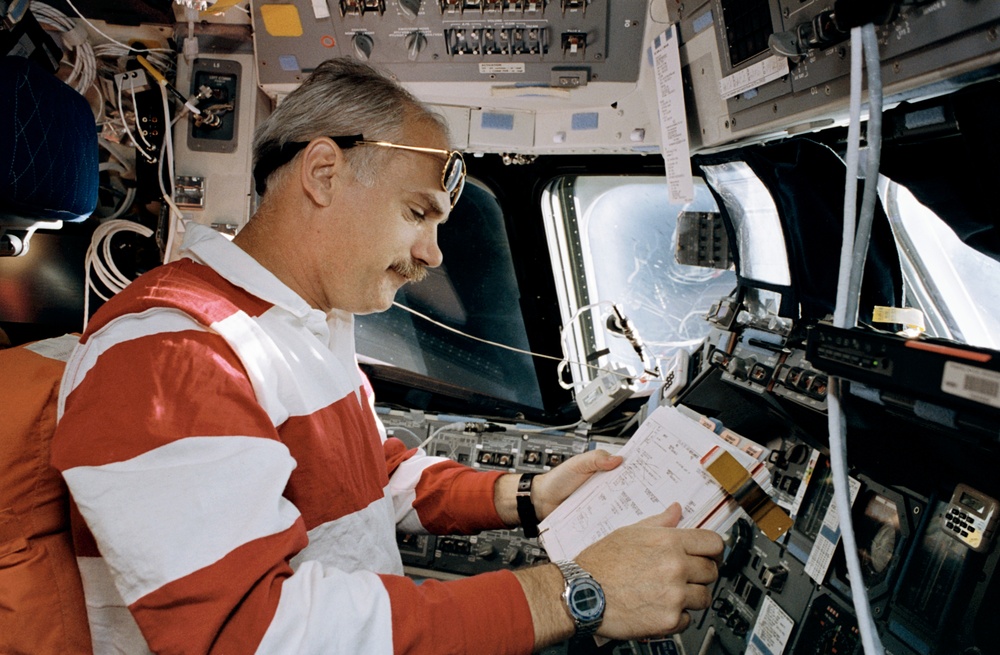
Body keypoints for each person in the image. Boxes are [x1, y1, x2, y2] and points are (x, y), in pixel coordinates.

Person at [51, 58, 723, 654]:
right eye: (416, 213)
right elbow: (254, 634)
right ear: (322, 172)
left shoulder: (306, 324)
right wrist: (575, 591)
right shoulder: (172, 353)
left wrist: (529, 494)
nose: (432, 254)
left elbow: (375, 474)